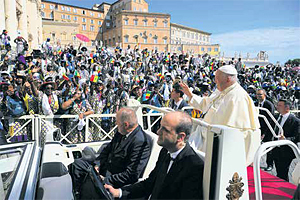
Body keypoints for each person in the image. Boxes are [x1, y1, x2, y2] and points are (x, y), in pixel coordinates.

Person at [105, 111, 204, 199]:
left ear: (181, 137)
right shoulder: (165, 152)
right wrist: (119, 192)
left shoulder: (194, 167)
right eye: (160, 126)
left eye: (165, 130)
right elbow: (150, 183)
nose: (158, 132)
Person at [180, 65, 260, 166]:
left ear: (228, 79)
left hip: (219, 141)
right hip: (205, 134)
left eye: (217, 78)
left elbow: (236, 129)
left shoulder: (238, 97)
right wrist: (190, 95)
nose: (215, 80)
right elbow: (205, 104)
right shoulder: (220, 91)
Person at [69, 107, 151, 199]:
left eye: (117, 122)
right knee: (77, 165)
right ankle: (77, 194)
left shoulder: (141, 142)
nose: (116, 124)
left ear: (126, 125)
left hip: (114, 180)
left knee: (92, 186)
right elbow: (107, 150)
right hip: (103, 170)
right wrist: (97, 164)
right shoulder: (121, 132)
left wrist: (106, 179)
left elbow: (131, 175)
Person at [272, 99, 300, 181]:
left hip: (286, 151)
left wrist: (285, 139)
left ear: (287, 108)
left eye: (280, 105)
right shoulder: (277, 117)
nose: (277, 107)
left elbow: (297, 137)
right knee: (279, 171)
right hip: (275, 149)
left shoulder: (295, 121)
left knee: (283, 172)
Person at [255, 88, 275, 171]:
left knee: (268, 148)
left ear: (265, 95)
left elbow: (270, 120)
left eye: (260, 94)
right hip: (258, 128)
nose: (258, 96)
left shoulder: (269, 105)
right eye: (257, 94)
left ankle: (270, 164)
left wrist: (264, 133)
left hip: (268, 130)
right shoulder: (256, 104)